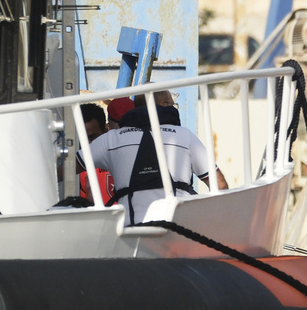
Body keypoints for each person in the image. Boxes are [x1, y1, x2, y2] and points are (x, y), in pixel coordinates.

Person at [90, 90, 227, 223]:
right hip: (180, 229)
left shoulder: (112, 139)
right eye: (172, 104)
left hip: (130, 232)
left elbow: (72, 165)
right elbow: (220, 185)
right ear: (163, 105)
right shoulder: (184, 135)